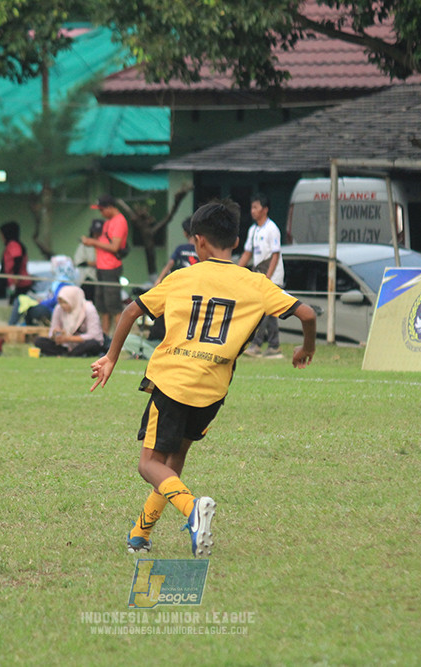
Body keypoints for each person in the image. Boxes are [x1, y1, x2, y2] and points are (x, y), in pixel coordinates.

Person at [90, 199, 316, 558]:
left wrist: (111, 357)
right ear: (237, 241)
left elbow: (132, 311)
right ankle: (139, 535)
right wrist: (306, 349)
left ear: (198, 242)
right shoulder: (255, 283)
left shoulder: (182, 277)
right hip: (212, 389)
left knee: (148, 464)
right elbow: (306, 313)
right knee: (173, 463)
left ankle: (193, 510)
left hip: (172, 382)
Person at [237, 193, 285, 358]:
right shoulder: (253, 230)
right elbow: (247, 253)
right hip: (259, 274)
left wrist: (268, 277)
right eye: (252, 207)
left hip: (272, 275)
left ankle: (256, 345)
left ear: (265, 210)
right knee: (269, 312)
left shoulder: (272, 229)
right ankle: (274, 346)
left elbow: (275, 255)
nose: (253, 210)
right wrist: (234, 271)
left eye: (256, 207)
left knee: (262, 309)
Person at [80, 194, 128, 335]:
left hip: (111, 268)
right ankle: (104, 337)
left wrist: (92, 242)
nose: (100, 213)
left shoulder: (119, 221)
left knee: (114, 306)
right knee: (103, 307)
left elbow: (114, 247)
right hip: (101, 268)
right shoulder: (108, 222)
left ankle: (118, 339)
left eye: (101, 210)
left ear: (110, 207)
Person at [33, 285, 105, 357]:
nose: (62, 305)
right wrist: (56, 334)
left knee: (93, 344)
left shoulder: (89, 309)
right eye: (60, 303)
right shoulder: (58, 308)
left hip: (82, 344)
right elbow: (52, 331)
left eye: (65, 302)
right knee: (39, 341)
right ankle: (68, 354)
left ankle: (67, 355)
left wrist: (69, 338)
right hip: (65, 345)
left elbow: (94, 335)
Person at [154, 217, 198, 285]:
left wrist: (159, 279)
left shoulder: (180, 249)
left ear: (185, 233)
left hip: (182, 282)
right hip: (196, 281)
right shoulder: (200, 250)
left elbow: (170, 263)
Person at [0, 221, 33, 302]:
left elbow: (17, 258)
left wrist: (16, 276)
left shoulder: (13, 245)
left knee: (16, 303)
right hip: (16, 282)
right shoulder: (12, 245)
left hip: (20, 283)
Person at [74, 219, 103, 303]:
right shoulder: (84, 245)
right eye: (95, 233)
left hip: (100, 278)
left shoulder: (105, 245)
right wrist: (94, 263)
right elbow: (78, 262)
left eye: (99, 233)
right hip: (87, 278)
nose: (96, 235)